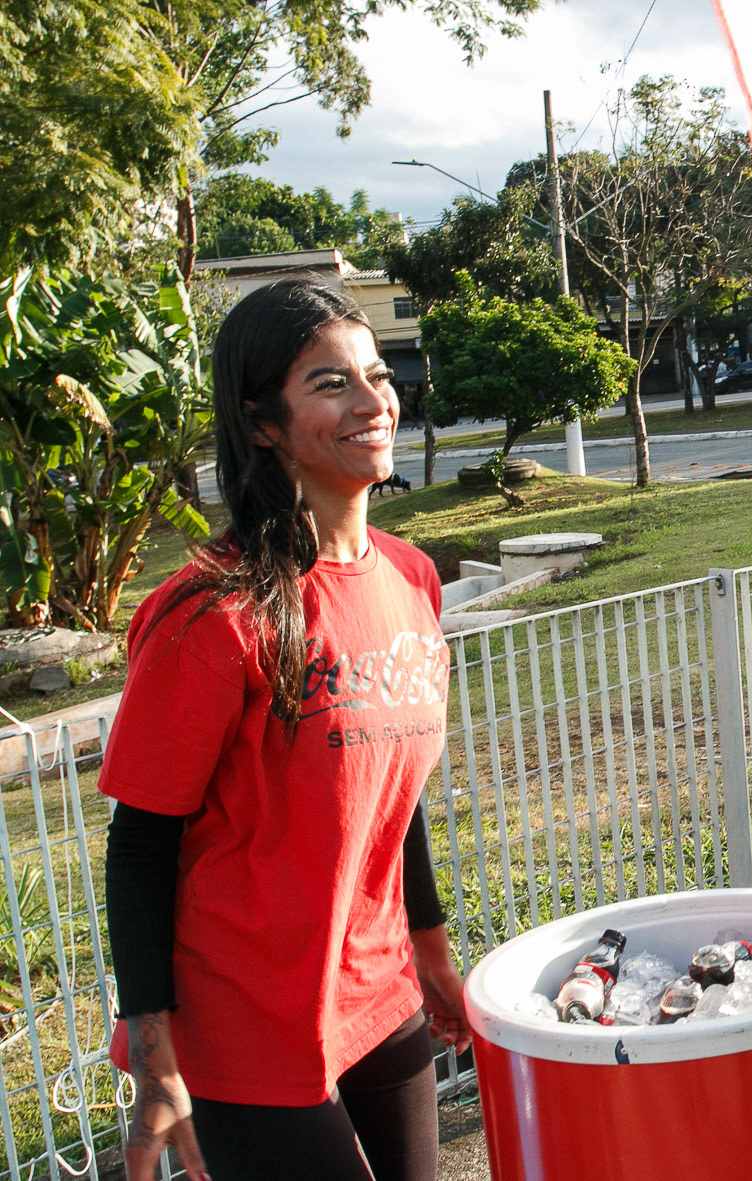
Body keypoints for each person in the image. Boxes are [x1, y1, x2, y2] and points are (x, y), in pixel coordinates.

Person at [101, 280, 470, 1181]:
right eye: (330, 382)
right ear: (264, 422)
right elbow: (141, 842)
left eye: (376, 374)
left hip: (380, 992)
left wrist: (432, 959)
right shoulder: (212, 613)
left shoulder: (412, 578)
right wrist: (156, 1056)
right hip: (245, 1021)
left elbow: (396, 797)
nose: (372, 399)